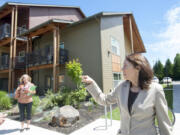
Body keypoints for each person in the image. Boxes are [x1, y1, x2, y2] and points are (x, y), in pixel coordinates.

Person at [81, 53, 173, 135]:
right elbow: (104, 100)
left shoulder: (156, 90)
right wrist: (91, 83)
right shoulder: (121, 87)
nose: (122, 69)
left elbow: (164, 124)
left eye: (125, 66)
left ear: (137, 68)